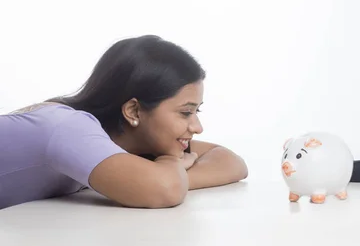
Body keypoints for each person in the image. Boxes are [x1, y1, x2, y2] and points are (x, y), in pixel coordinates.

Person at [0, 35, 248, 210]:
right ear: (134, 111)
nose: (197, 127)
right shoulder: (68, 128)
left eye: (197, 112)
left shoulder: (120, 144)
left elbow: (231, 162)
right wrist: (171, 167)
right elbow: (164, 190)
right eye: (185, 113)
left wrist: (164, 174)